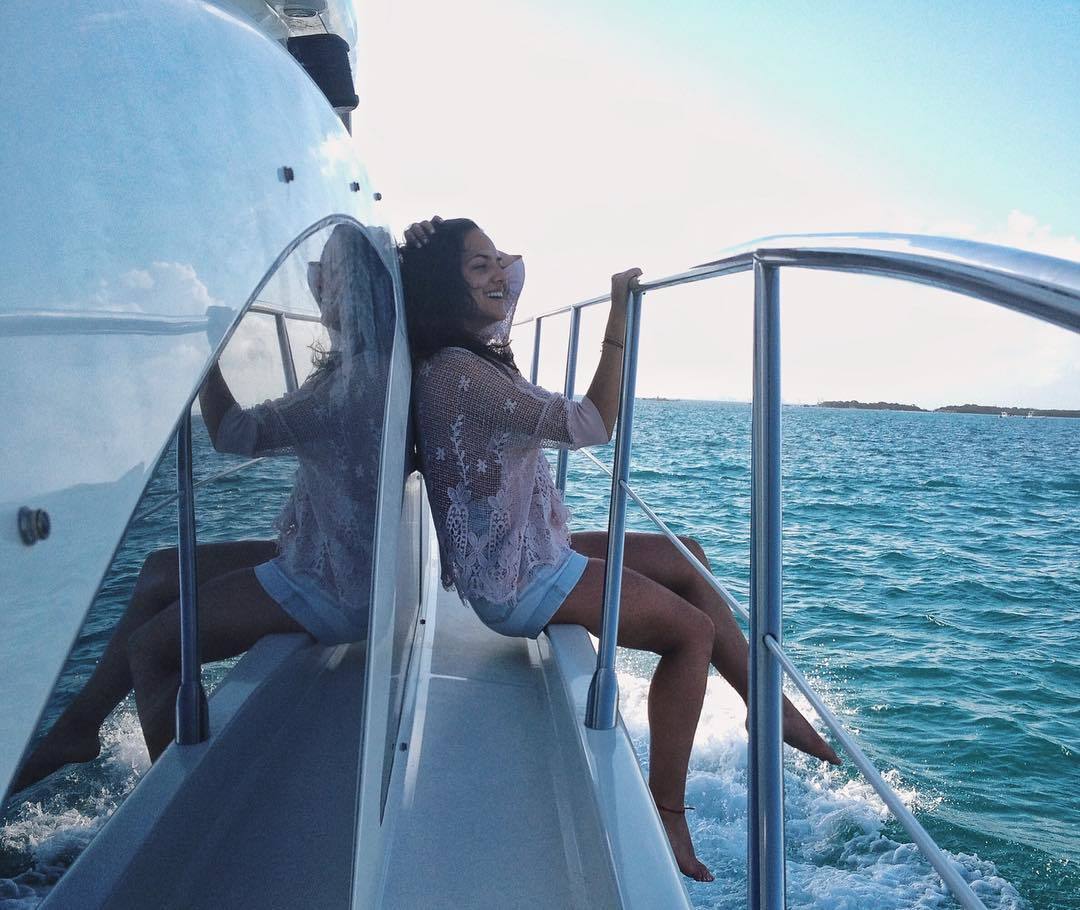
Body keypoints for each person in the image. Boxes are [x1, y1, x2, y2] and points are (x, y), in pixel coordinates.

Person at [400, 216, 841, 883]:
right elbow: (591, 424)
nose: (500, 275)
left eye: (498, 260)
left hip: (518, 546)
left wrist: (488, 269)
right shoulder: (463, 373)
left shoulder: (465, 355)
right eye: (478, 266)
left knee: (686, 554)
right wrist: (618, 313)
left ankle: (765, 702)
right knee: (690, 633)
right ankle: (668, 811)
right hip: (515, 581)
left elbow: (511, 281)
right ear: (444, 287)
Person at [10, 223, 392, 792]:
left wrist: (208, 353)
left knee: (153, 649)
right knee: (159, 571)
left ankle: (180, 796)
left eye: (328, 276)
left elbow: (231, 433)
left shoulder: (351, 386)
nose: (317, 286)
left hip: (338, 586)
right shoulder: (366, 370)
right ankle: (79, 727)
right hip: (339, 555)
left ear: (355, 292)